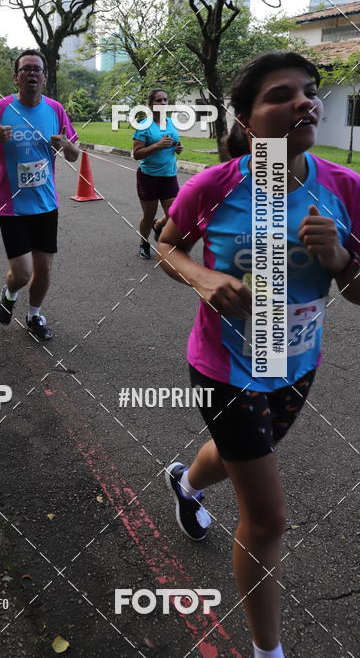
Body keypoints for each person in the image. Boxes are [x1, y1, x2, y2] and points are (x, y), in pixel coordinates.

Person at [156, 51, 360, 658]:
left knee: (248, 453)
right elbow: (166, 245)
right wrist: (200, 277)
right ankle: (268, 651)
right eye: (281, 95)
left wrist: (342, 262)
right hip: (225, 366)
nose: (304, 102)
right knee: (268, 518)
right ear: (246, 120)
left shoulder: (346, 188)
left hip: (297, 362)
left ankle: (185, 482)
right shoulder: (214, 186)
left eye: (309, 91)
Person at [0, 49, 80, 340]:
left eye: (37, 69)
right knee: (22, 273)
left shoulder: (55, 110)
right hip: (12, 206)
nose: (32, 73)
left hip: (46, 204)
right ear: (16, 77)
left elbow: (75, 155)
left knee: (44, 270)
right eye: (26, 69)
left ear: (44, 77)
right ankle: (10, 291)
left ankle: (34, 315)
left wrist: (66, 144)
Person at [132, 88, 182, 259]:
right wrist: (157, 146)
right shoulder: (144, 126)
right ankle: (144, 243)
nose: (162, 103)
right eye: (158, 100)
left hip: (169, 176)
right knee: (148, 215)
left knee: (174, 214)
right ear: (151, 104)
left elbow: (175, 143)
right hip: (149, 177)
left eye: (165, 100)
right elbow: (137, 154)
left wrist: (177, 148)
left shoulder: (171, 122)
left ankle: (159, 225)